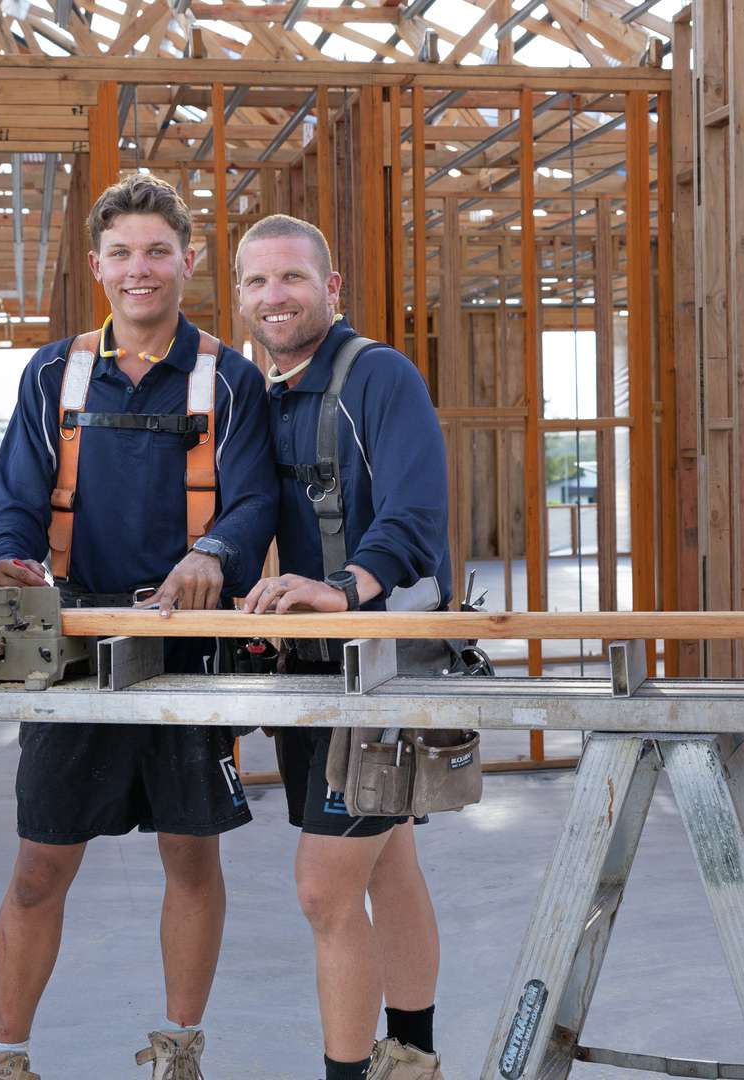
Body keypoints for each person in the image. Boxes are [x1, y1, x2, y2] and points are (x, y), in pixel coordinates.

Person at [0, 173, 278, 1080]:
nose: (139, 270)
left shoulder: (228, 377)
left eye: (157, 252)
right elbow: (14, 498)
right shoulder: (52, 373)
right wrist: (10, 559)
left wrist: (215, 554)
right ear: (98, 267)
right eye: (122, 254)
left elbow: (255, 495)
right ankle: (5, 1059)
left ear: (187, 261)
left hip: (191, 646)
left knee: (190, 857)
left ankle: (180, 1049)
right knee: (39, 867)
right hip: (73, 648)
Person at [235, 214, 452, 1080]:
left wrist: (346, 586)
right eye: (256, 282)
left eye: (291, 278)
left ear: (331, 289)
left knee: (326, 887)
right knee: (388, 858)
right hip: (313, 668)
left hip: (380, 665)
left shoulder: (379, 378)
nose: (273, 296)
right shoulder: (266, 395)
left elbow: (416, 513)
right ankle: (414, 1060)